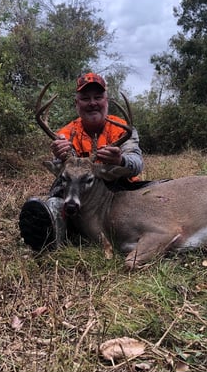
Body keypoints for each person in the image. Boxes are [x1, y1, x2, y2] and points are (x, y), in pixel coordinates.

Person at [19, 72, 145, 250]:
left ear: (106, 101)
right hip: (82, 194)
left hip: (123, 190)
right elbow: (66, 173)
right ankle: (51, 234)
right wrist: (60, 156)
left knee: (156, 195)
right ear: (77, 104)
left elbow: (137, 164)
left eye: (98, 97)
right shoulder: (66, 133)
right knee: (58, 200)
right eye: (85, 98)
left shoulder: (123, 130)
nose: (92, 103)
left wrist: (120, 160)